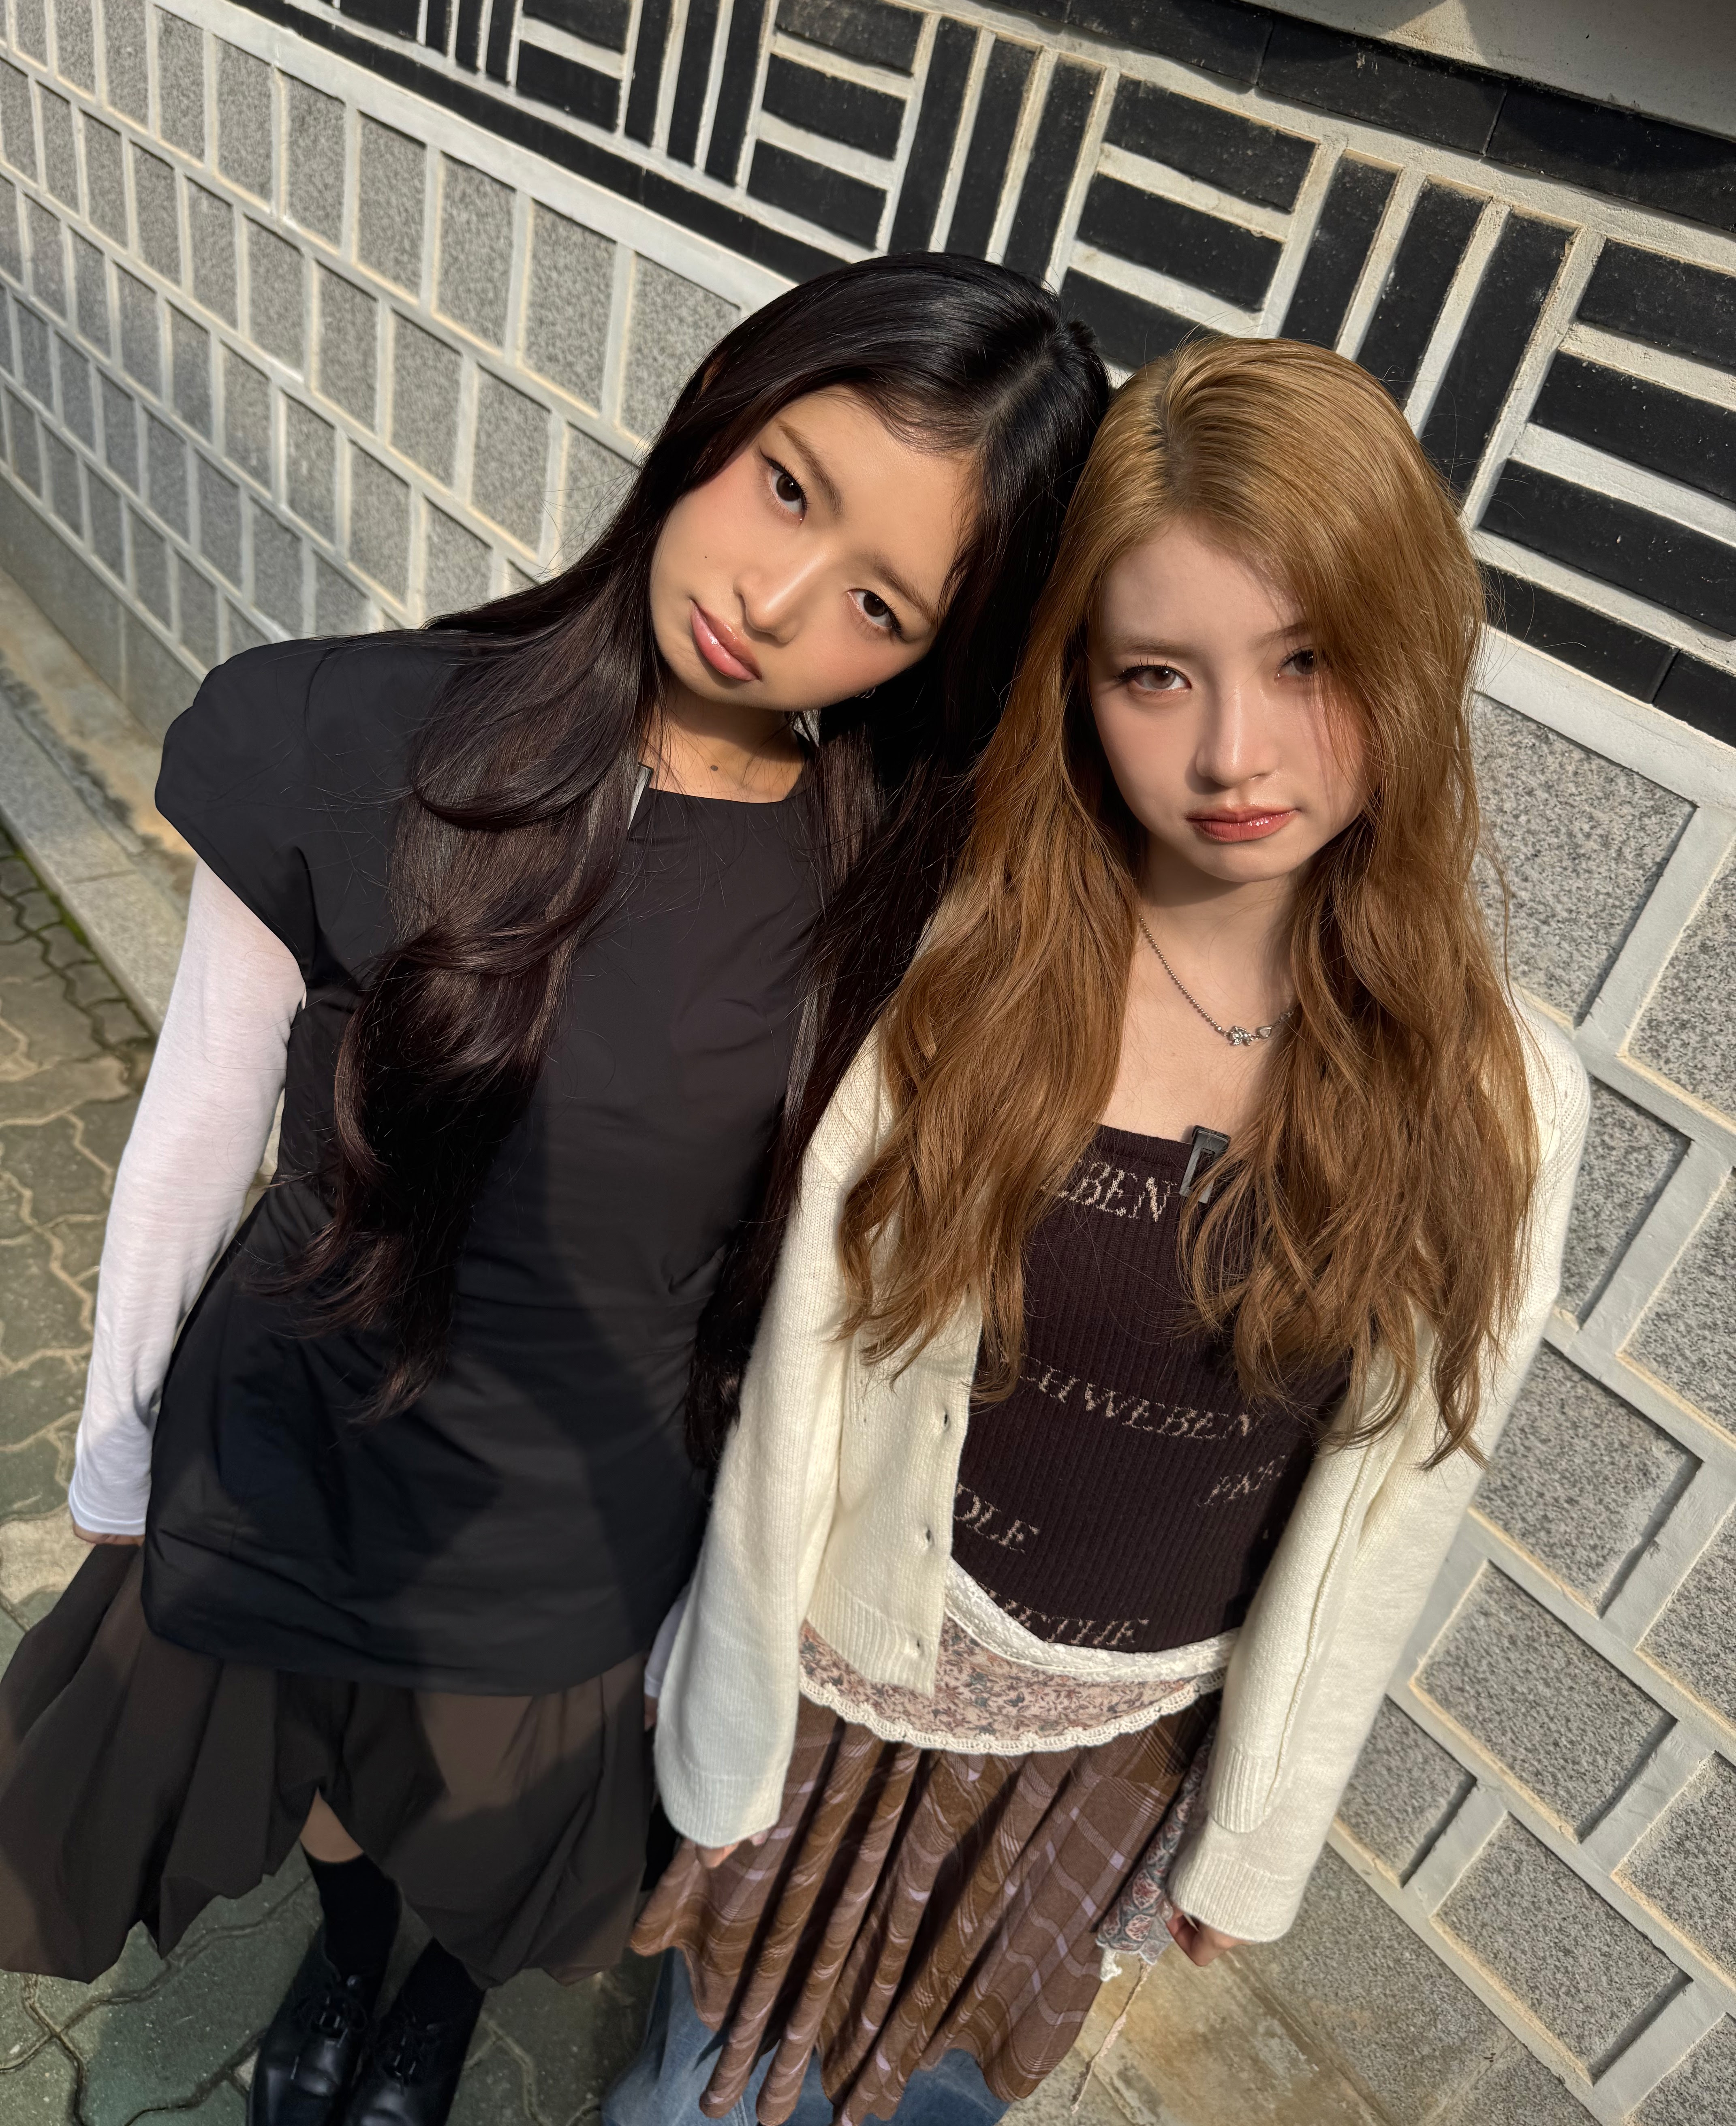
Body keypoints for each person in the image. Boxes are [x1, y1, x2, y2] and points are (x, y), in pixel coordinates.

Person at [0, 254, 1107, 2126]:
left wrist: (712, 1626)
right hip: (300, 1434)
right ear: (721, 415)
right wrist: (114, 1461)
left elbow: (799, 1303)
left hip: (582, 1516)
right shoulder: (349, 731)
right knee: (328, 1773)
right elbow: (196, 1118)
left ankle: (432, 1989)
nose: (774, 601)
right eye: (788, 487)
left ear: (935, 656)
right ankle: (345, 1967)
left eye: (880, 603)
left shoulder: (881, 910)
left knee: (489, 1825)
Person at [612, 336, 1591, 2126]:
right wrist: (726, 1714)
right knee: (698, 2097)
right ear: (1079, 686)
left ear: (1409, 651)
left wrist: (1258, 1830)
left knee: (945, 2100)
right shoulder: (962, 982)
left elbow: (1392, 1504)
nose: (1234, 753)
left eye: (1307, 661)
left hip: (1114, 1748)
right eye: (1157, 675)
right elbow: (800, 1397)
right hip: (848, 1692)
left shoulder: (1500, 1092)